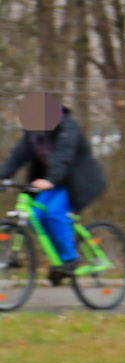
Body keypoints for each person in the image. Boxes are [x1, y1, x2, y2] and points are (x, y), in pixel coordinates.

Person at [0, 91, 108, 284]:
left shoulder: (68, 127)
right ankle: (59, 261)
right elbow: (16, 157)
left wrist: (50, 180)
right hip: (52, 182)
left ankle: (70, 260)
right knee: (35, 217)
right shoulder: (32, 134)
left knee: (54, 213)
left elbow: (63, 157)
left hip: (77, 182)